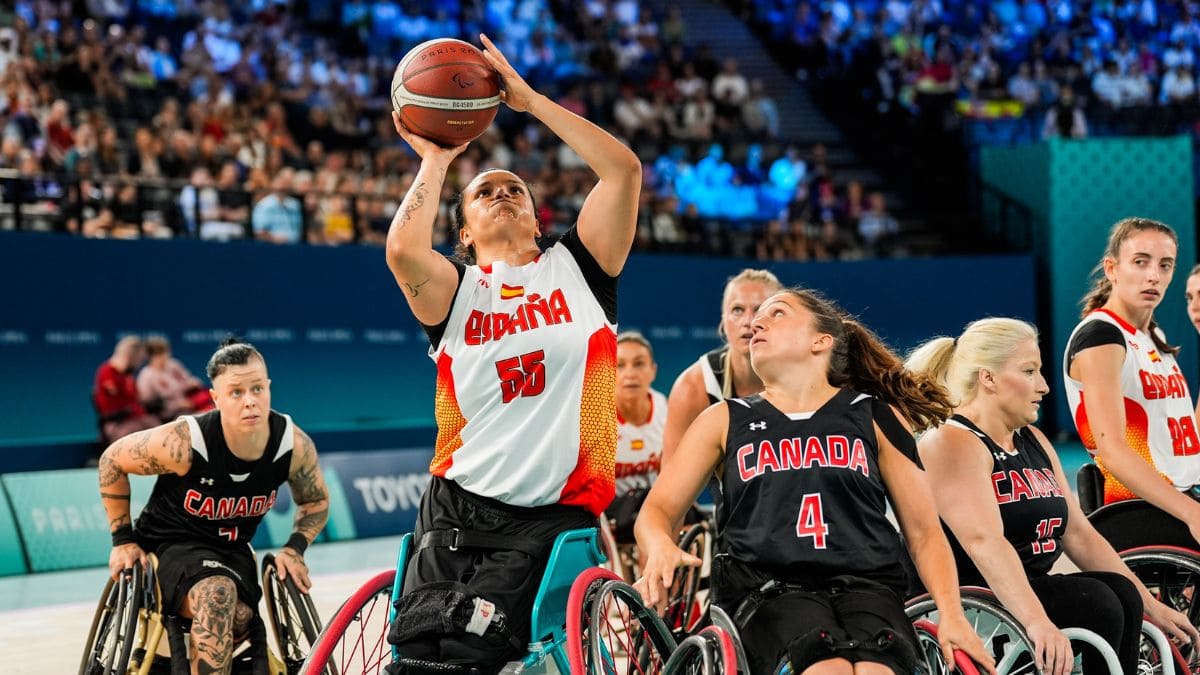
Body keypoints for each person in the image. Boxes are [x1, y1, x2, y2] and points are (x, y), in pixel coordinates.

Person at [383, 34, 641, 672]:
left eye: (514, 190)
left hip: (550, 513)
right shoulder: (458, 291)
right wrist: (439, 159)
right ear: (464, 232)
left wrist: (529, 102)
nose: (501, 192)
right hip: (456, 501)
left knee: (477, 652)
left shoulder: (579, 270)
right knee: (415, 656)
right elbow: (403, 253)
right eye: (483, 191)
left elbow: (623, 171)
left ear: (536, 218)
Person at [635, 288, 995, 675]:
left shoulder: (876, 416)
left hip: (867, 587)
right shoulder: (724, 419)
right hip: (768, 589)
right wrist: (659, 546)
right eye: (758, 317)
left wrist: (952, 613)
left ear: (820, 341)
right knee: (829, 670)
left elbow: (924, 533)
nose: (757, 322)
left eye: (777, 314)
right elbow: (657, 510)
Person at [908, 318, 1198, 675]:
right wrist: (1037, 621)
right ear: (989, 378)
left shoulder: (1032, 439)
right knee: (1097, 602)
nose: (1044, 386)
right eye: (1029, 372)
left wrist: (1153, 606)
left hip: (1024, 589)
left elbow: (1079, 534)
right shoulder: (952, 442)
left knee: (1121, 592)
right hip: (972, 598)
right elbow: (984, 542)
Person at [98, 339, 330, 675]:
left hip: (232, 550)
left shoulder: (291, 445)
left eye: (257, 389)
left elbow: (316, 499)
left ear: (268, 388)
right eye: (236, 392)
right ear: (215, 398)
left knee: (238, 615)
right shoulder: (186, 442)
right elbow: (111, 461)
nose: (250, 401)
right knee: (217, 595)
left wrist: (295, 550)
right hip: (170, 544)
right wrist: (122, 540)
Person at [1063, 217, 1200, 546]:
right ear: (1112, 269)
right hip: (1136, 508)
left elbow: (1189, 438)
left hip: (1182, 492)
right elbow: (1112, 451)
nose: (1154, 275)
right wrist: (1192, 513)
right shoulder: (1101, 337)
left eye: (1165, 265)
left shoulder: (1153, 337)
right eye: (1140, 262)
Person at [661, 268, 782, 469]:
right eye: (737, 310)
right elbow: (668, 485)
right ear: (723, 321)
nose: (749, 321)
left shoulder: (805, 378)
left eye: (760, 310)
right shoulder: (693, 387)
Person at [604, 331, 668, 577]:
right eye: (620, 365)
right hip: (612, 513)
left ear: (653, 370)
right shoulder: (599, 414)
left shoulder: (664, 408)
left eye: (639, 364)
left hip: (654, 507)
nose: (630, 373)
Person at [94, 335, 159, 444]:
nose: (139, 365)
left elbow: (137, 400)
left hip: (137, 421)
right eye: (139, 360)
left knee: (158, 428)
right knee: (146, 433)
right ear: (129, 357)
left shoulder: (128, 377)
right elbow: (112, 408)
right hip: (118, 425)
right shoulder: (106, 372)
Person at [137, 335, 215, 422]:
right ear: (151, 356)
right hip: (169, 414)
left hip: (190, 404)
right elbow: (150, 404)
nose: (164, 356)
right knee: (200, 419)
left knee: (212, 411)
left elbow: (188, 380)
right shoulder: (146, 375)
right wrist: (178, 405)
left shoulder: (173, 365)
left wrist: (193, 386)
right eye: (159, 354)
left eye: (165, 352)